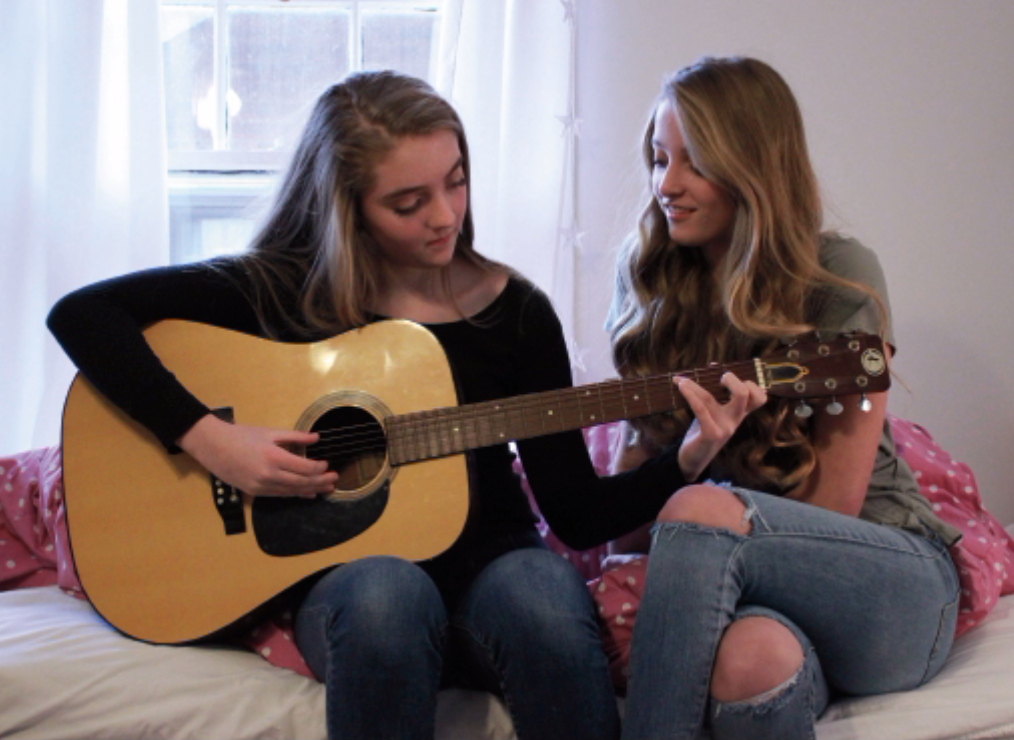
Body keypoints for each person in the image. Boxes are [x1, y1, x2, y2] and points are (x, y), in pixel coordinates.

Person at [47, 70, 731, 740]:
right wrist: (211, 440)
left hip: (494, 565)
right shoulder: (283, 290)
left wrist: (689, 456)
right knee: (387, 596)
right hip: (348, 582)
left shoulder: (515, 314)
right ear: (347, 208)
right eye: (407, 203)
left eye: (456, 181)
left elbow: (578, 518)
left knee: (544, 600)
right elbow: (82, 315)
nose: (444, 215)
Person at [606, 56, 962, 740]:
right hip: (756, 605)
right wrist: (688, 457)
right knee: (749, 661)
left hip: (888, 580)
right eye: (657, 158)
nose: (665, 186)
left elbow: (839, 508)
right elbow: (623, 533)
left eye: (693, 163)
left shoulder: (839, 279)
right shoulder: (649, 285)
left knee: (698, 509)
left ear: (752, 169)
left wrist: (707, 501)